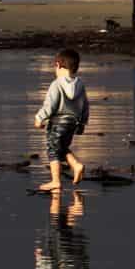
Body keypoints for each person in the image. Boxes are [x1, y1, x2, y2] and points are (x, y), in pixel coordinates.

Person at [33, 48, 90, 191]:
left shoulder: (56, 84)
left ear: (58, 65)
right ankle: (76, 165)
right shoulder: (80, 84)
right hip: (73, 122)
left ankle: (56, 181)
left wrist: (39, 118)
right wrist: (82, 123)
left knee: (53, 150)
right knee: (62, 148)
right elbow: (85, 105)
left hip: (58, 122)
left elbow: (50, 105)